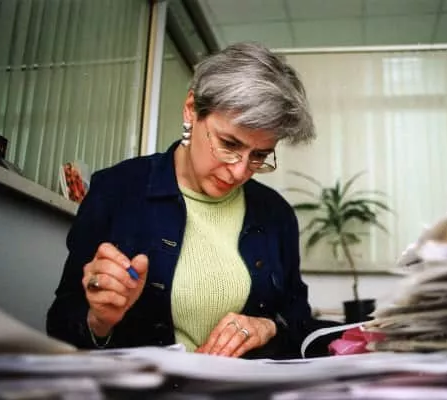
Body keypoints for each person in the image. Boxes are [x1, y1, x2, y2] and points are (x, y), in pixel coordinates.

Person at [47, 42, 337, 359]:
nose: (240, 171)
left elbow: (299, 317)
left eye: (259, 156)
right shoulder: (116, 189)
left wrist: (269, 326)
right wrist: (99, 320)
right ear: (191, 109)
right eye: (229, 144)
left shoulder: (275, 213)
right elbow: (60, 323)